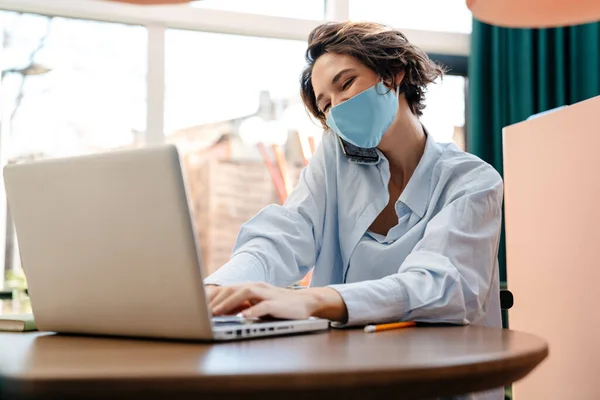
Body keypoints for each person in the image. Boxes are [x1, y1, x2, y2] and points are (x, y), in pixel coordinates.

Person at [205, 21, 503, 335]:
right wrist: (219, 288)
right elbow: (285, 234)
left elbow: (440, 286)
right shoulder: (336, 157)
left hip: (439, 372)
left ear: (392, 74)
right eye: (326, 104)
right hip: (344, 362)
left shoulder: (472, 180)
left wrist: (315, 300)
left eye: (345, 84)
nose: (339, 107)